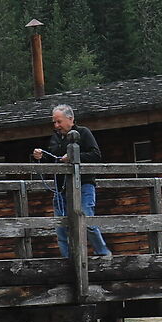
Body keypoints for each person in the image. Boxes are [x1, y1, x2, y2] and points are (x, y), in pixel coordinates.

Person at [32, 102, 112, 257]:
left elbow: (96, 155)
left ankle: (103, 254)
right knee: (61, 227)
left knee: (86, 220)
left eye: (59, 121)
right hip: (61, 188)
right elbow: (51, 161)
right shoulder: (55, 138)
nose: (56, 125)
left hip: (84, 184)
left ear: (70, 119)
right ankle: (68, 259)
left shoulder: (84, 132)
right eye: (54, 122)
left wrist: (74, 157)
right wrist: (39, 157)